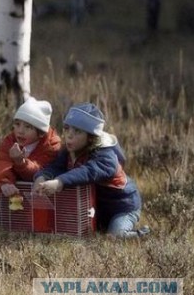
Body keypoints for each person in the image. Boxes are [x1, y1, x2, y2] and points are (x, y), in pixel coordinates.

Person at [33, 102, 150, 238]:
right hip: (97, 208)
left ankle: (140, 235)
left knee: (115, 235)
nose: (69, 135)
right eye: (67, 128)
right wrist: (42, 176)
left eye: (77, 131)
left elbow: (88, 171)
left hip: (122, 207)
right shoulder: (69, 150)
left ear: (90, 137)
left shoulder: (106, 155)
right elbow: (56, 167)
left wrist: (59, 182)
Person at [0, 97, 61, 218]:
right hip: (10, 198)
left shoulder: (52, 146)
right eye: (17, 124)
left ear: (40, 133)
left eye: (28, 127)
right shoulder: (10, 140)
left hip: (39, 203)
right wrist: (4, 182)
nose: (20, 131)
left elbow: (40, 172)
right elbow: (2, 162)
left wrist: (21, 163)